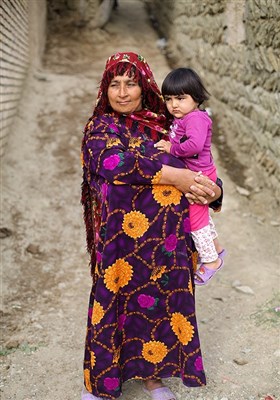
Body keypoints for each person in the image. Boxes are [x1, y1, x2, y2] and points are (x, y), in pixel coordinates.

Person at [80, 52, 222, 400]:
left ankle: (153, 379)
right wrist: (175, 176)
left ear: (145, 87)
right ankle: (100, 385)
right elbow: (116, 164)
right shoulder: (100, 128)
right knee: (112, 307)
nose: (123, 92)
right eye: (115, 84)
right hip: (118, 245)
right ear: (105, 89)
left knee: (158, 309)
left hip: (165, 244)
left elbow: (201, 161)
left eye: (131, 83)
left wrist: (214, 191)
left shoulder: (166, 123)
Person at [155, 68, 226, 286]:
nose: (174, 104)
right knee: (202, 216)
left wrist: (171, 149)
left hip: (200, 176)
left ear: (196, 98)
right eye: (169, 99)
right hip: (197, 172)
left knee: (196, 222)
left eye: (180, 98)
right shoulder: (185, 116)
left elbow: (194, 146)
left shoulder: (196, 118)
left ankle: (211, 262)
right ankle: (217, 249)